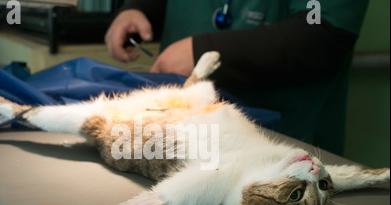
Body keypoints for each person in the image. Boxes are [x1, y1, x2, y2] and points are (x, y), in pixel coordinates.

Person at [104, 0, 369, 155]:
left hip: (278, 146)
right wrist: (138, 7)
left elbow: (322, 30)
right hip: (178, 136)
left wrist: (206, 52)